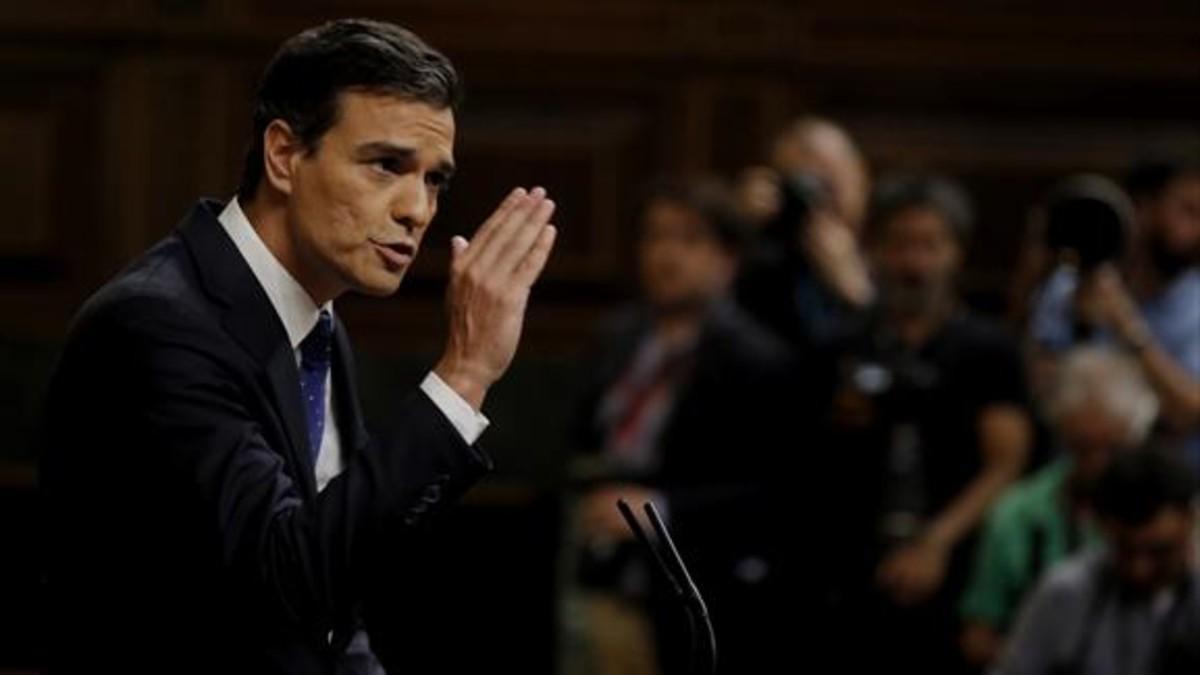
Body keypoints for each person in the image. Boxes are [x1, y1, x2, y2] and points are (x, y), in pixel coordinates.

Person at [39, 19, 558, 674]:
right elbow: (284, 580)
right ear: (284, 155)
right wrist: (466, 372)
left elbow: (335, 594)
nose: (417, 210)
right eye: (387, 165)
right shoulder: (158, 324)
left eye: (434, 181)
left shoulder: (319, 324)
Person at [566, 179, 793, 675]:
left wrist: (663, 509)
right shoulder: (618, 335)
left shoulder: (757, 358)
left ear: (727, 257)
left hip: (696, 578)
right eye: (655, 237)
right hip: (597, 561)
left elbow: (774, 489)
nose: (667, 254)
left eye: (689, 240)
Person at [816, 173, 1032, 674]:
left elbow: (1007, 463)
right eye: (899, 246)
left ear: (955, 252)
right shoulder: (842, 346)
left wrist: (935, 542)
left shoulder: (988, 350)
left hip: (956, 568)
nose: (914, 263)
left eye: (930, 246)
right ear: (874, 251)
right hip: (850, 572)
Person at [960, 347, 1160, 667]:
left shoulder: (1172, 516)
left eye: (1112, 449)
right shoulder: (1018, 514)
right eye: (1083, 448)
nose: (1098, 466)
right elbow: (978, 632)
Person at [1029, 158, 1200, 470]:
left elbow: (1189, 414)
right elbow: (1040, 396)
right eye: (1188, 211)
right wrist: (1081, 324)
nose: (1197, 229)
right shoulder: (1067, 285)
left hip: (1172, 482)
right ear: (1145, 209)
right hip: (1075, 474)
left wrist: (1129, 329)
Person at [996, 449, 1200, 675]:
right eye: (1124, 550)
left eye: (1159, 551)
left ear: (1190, 520)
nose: (1138, 570)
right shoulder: (1066, 593)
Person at [734, 117, 874, 351]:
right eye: (800, 186)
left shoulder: (893, 251)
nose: (815, 202)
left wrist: (857, 291)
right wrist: (736, 231)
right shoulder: (761, 258)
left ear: (861, 178)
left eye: (827, 183)